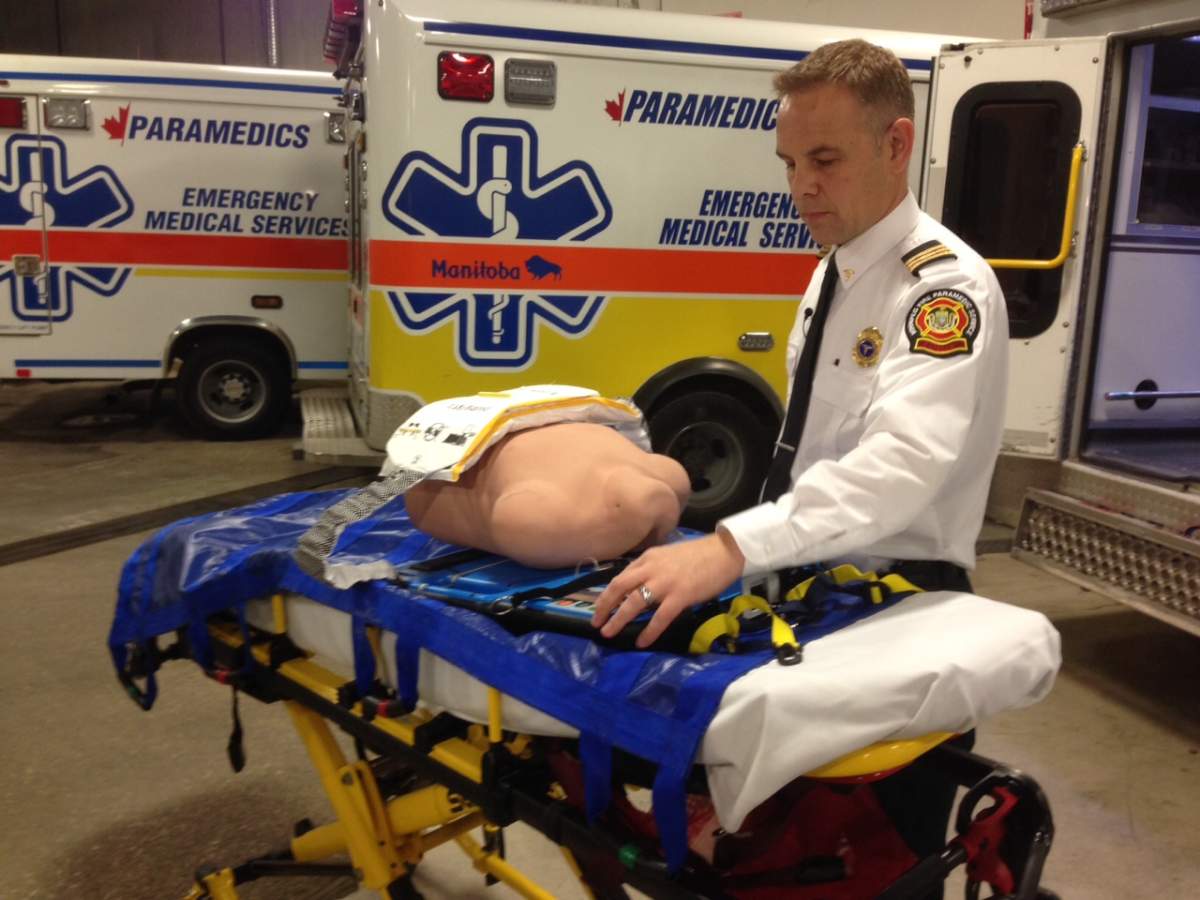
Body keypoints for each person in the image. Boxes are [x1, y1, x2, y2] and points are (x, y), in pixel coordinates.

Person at [591, 37, 1008, 881]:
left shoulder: (941, 291)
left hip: (901, 610)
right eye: (789, 163)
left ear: (896, 144)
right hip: (816, 593)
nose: (800, 187)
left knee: (879, 866)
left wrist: (731, 546)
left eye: (824, 160)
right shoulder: (834, 273)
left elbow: (900, 469)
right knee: (781, 859)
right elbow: (812, 448)